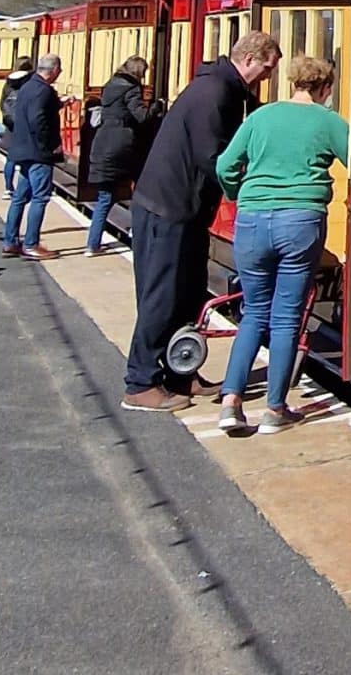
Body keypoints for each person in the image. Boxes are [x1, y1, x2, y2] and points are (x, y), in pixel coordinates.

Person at [119, 30, 281, 411]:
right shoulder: (215, 94)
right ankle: (140, 382)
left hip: (182, 209)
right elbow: (214, 157)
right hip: (168, 208)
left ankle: (179, 372)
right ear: (250, 60)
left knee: (188, 292)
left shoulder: (220, 89)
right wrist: (250, 187)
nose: (268, 78)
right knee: (161, 296)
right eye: (268, 69)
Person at [213, 53, 348, 434]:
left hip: (252, 222)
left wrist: (241, 194)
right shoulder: (327, 121)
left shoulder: (260, 117)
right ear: (325, 88)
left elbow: (224, 166)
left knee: (254, 312)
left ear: (292, 84)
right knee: (287, 317)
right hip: (300, 222)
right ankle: (274, 409)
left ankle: (230, 402)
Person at [82, 55, 153, 256]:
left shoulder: (109, 85)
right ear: (139, 72)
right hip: (123, 145)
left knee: (104, 197)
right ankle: (138, 233)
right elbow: (141, 116)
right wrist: (156, 108)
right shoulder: (131, 89)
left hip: (103, 142)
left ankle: (92, 244)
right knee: (141, 190)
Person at [0, 54, 64, 260]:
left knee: (19, 198)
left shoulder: (28, 86)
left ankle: (10, 241)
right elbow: (38, 119)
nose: (59, 74)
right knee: (40, 197)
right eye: (59, 71)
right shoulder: (43, 90)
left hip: (22, 149)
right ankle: (31, 243)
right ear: (53, 70)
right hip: (38, 153)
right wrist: (51, 144)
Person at [0, 61, 33, 195]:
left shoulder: (8, 85)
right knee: (27, 160)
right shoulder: (28, 87)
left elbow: (2, 104)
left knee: (10, 159)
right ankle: (25, 188)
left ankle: (8, 187)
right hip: (24, 128)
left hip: (10, 126)